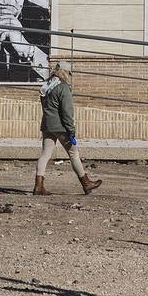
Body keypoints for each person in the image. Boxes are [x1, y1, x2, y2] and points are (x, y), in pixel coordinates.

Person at [34, 61, 101, 196]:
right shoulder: (63, 87)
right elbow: (67, 111)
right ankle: (86, 183)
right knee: (73, 153)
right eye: (68, 73)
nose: (68, 76)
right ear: (64, 72)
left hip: (47, 124)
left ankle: (38, 186)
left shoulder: (46, 85)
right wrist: (71, 130)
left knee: (45, 154)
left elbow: (44, 106)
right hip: (61, 126)